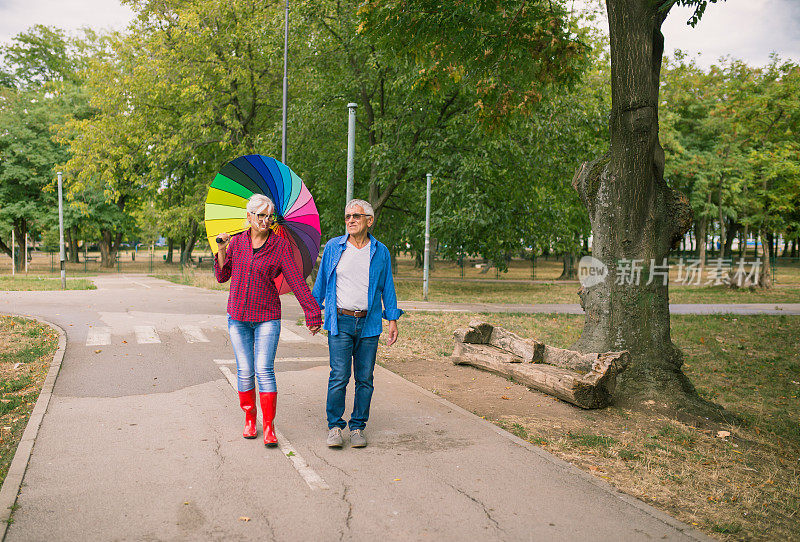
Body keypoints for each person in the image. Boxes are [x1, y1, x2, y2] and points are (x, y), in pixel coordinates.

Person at [215, 194, 321, 446]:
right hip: (238, 317)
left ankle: (269, 426)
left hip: (266, 317)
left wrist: (312, 312)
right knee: (245, 371)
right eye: (260, 215)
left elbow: (296, 281)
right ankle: (250, 419)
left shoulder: (280, 246)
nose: (265, 220)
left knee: (263, 370)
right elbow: (222, 276)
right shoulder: (237, 243)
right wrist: (221, 249)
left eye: (269, 216)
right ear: (249, 217)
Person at [312, 199, 403, 448]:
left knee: (365, 379)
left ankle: (357, 427)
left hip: (369, 324)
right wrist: (313, 313)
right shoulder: (333, 247)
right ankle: (334, 426)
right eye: (347, 216)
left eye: (356, 216)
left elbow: (388, 288)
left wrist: (392, 319)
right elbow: (321, 284)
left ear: (369, 221)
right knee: (339, 376)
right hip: (340, 321)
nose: (350, 220)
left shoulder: (380, 251)